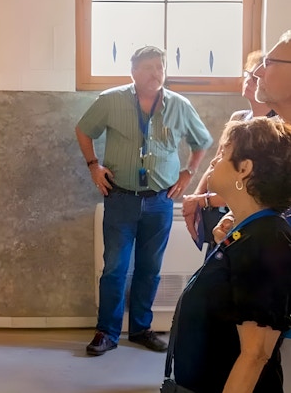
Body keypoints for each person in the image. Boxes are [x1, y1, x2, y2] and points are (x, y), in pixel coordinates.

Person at [75, 45, 212, 356]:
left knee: (150, 269)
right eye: (149, 67)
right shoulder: (110, 100)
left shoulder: (179, 105)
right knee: (115, 268)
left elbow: (201, 141)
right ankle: (106, 332)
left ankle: (140, 329)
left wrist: (189, 172)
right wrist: (93, 165)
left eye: (160, 67)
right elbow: (83, 130)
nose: (156, 73)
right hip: (120, 197)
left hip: (160, 200)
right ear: (133, 72)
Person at [167, 117, 291, 393]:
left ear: (244, 169)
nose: (213, 163)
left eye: (223, 153)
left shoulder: (264, 240)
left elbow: (255, 354)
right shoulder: (248, 234)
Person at [182, 50, 275, 253]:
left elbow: (256, 188)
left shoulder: (275, 127)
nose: (249, 80)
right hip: (219, 212)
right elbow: (215, 163)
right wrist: (196, 199)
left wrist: (205, 200)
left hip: (246, 214)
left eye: (255, 76)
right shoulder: (239, 117)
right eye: (248, 74)